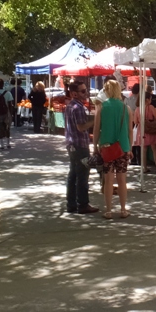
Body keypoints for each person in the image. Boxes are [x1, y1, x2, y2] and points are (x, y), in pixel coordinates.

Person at [93, 80, 134, 219]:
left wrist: (95, 146)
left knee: (108, 180)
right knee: (122, 180)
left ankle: (109, 210)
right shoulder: (126, 108)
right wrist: (130, 147)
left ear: (107, 90)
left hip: (106, 148)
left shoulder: (102, 108)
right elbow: (129, 130)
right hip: (122, 148)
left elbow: (96, 129)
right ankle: (123, 209)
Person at [64, 81, 99, 214]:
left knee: (73, 174)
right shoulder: (77, 107)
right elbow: (81, 127)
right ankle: (83, 204)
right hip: (79, 145)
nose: (86, 93)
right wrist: (96, 120)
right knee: (83, 175)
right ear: (74, 93)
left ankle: (71, 204)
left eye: (86, 90)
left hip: (72, 144)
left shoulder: (70, 105)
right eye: (83, 91)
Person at [133, 92, 156, 173]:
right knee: (154, 149)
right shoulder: (151, 107)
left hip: (141, 130)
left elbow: (135, 121)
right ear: (147, 99)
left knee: (143, 150)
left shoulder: (137, 109)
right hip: (151, 130)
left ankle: (144, 167)